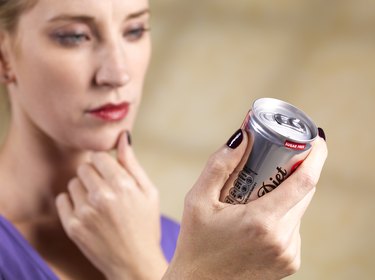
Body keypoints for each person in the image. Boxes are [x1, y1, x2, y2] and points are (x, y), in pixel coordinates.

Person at [0, 0, 328, 279]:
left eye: (135, 31)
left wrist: (146, 261)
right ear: (4, 56)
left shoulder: (190, 239)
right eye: (75, 36)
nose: (118, 73)